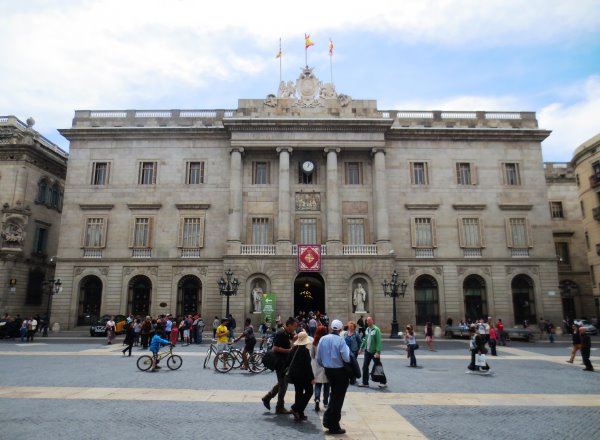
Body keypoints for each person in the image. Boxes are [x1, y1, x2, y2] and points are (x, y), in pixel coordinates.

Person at [316, 319, 351, 435]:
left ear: (331, 328)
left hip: (328, 371)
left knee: (334, 395)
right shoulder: (341, 340)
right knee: (338, 398)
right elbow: (346, 358)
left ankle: (328, 420)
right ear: (340, 329)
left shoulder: (322, 339)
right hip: (340, 372)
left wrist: (326, 365)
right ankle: (333, 425)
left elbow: (319, 358)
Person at [262, 317, 297, 414]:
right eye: (294, 326)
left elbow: (289, 341)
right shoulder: (281, 333)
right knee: (283, 385)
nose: (295, 328)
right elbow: (275, 348)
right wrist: (288, 350)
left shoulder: (287, 332)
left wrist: (294, 339)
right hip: (280, 363)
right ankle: (279, 407)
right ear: (289, 325)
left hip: (284, 362)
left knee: (282, 383)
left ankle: (267, 397)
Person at [287, 331, 315, 422]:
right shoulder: (305, 351)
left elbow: (288, 360)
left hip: (295, 375)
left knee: (298, 392)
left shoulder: (294, 349)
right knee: (309, 392)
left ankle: (299, 414)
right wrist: (312, 378)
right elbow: (308, 366)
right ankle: (295, 408)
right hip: (304, 376)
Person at [358, 316, 386, 387]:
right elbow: (365, 339)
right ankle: (365, 383)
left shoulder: (376, 330)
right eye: (367, 321)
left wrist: (378, 351)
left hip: (374, 352)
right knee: (365, 367)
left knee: (378, 366)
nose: (368, 322)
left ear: (372, 321)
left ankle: (383, 382)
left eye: (370, 320)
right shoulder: (367, 329)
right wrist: (361, 347)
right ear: (366, 322)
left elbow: (378, 341)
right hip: (367, 351)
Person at [310, 325, 330, 412]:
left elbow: (312, 355)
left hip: (317, 365)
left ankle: (317, 399)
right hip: (327, 365)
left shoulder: (315, 342)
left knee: (317, 384)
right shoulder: (328, 341)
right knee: (326, 385)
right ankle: (325, 402)